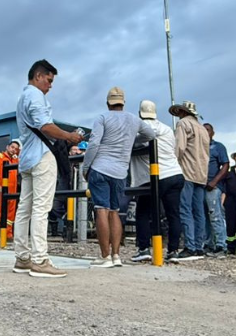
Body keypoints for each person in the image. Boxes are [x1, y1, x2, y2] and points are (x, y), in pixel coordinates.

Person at [13, 59, 84, 278]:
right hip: (42, 156)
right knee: (41, 208)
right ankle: (40, 260)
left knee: (24, 208)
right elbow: (45, 125)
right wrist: (70, 136)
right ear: (38, 76)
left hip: (27, 158)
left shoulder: (22, 97)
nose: (50, 86)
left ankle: (22, 257)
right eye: (49, 80)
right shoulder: (35, 95)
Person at [79, 87, 150, 267]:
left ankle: (104, 256)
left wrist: (86, 167)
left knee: (101, 209)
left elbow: (94, 143)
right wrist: (133, 141)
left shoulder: (102, 118)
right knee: (114, 211)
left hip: (101, 168)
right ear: (123, 102)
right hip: (120, 172)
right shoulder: (134, 120)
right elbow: (151, 134)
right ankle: (116, 255)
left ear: (108, 103)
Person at [130, 100, 186, 263]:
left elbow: (131, 144)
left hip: (155, 176)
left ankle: (144, 249)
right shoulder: (167, 128)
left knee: (143, 212)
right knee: (173, 213)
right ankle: (173, 250)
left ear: (140, 113)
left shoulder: (139, 129)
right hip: (175, 173)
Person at [170, 100, 210, 261]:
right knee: (199, 210)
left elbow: (179, 147)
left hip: (186, 171)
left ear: (182, 111)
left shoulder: (183, 124)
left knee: (185, 209)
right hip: (201, 173)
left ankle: (190, 246)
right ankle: (199, 246)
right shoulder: (202, 128)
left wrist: (174, 164)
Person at [203, 123, 230, 255]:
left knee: (215, 216)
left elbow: (225, 165)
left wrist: (214, 182)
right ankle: (208, 244)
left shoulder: (218, 147)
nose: (205, 132)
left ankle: (221, 245)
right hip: (199, 186)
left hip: (213, 187)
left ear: (213, 132)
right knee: (204, 217)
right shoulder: (198, 147)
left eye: (207, 130)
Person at [0, 140, 20, 241]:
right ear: (7, 147)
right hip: (1, 188)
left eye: (16, 149)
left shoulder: (15, 159)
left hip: (12, 189)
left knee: (11, 212)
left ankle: (8, 234)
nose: (14, 150)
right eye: (12, 147)